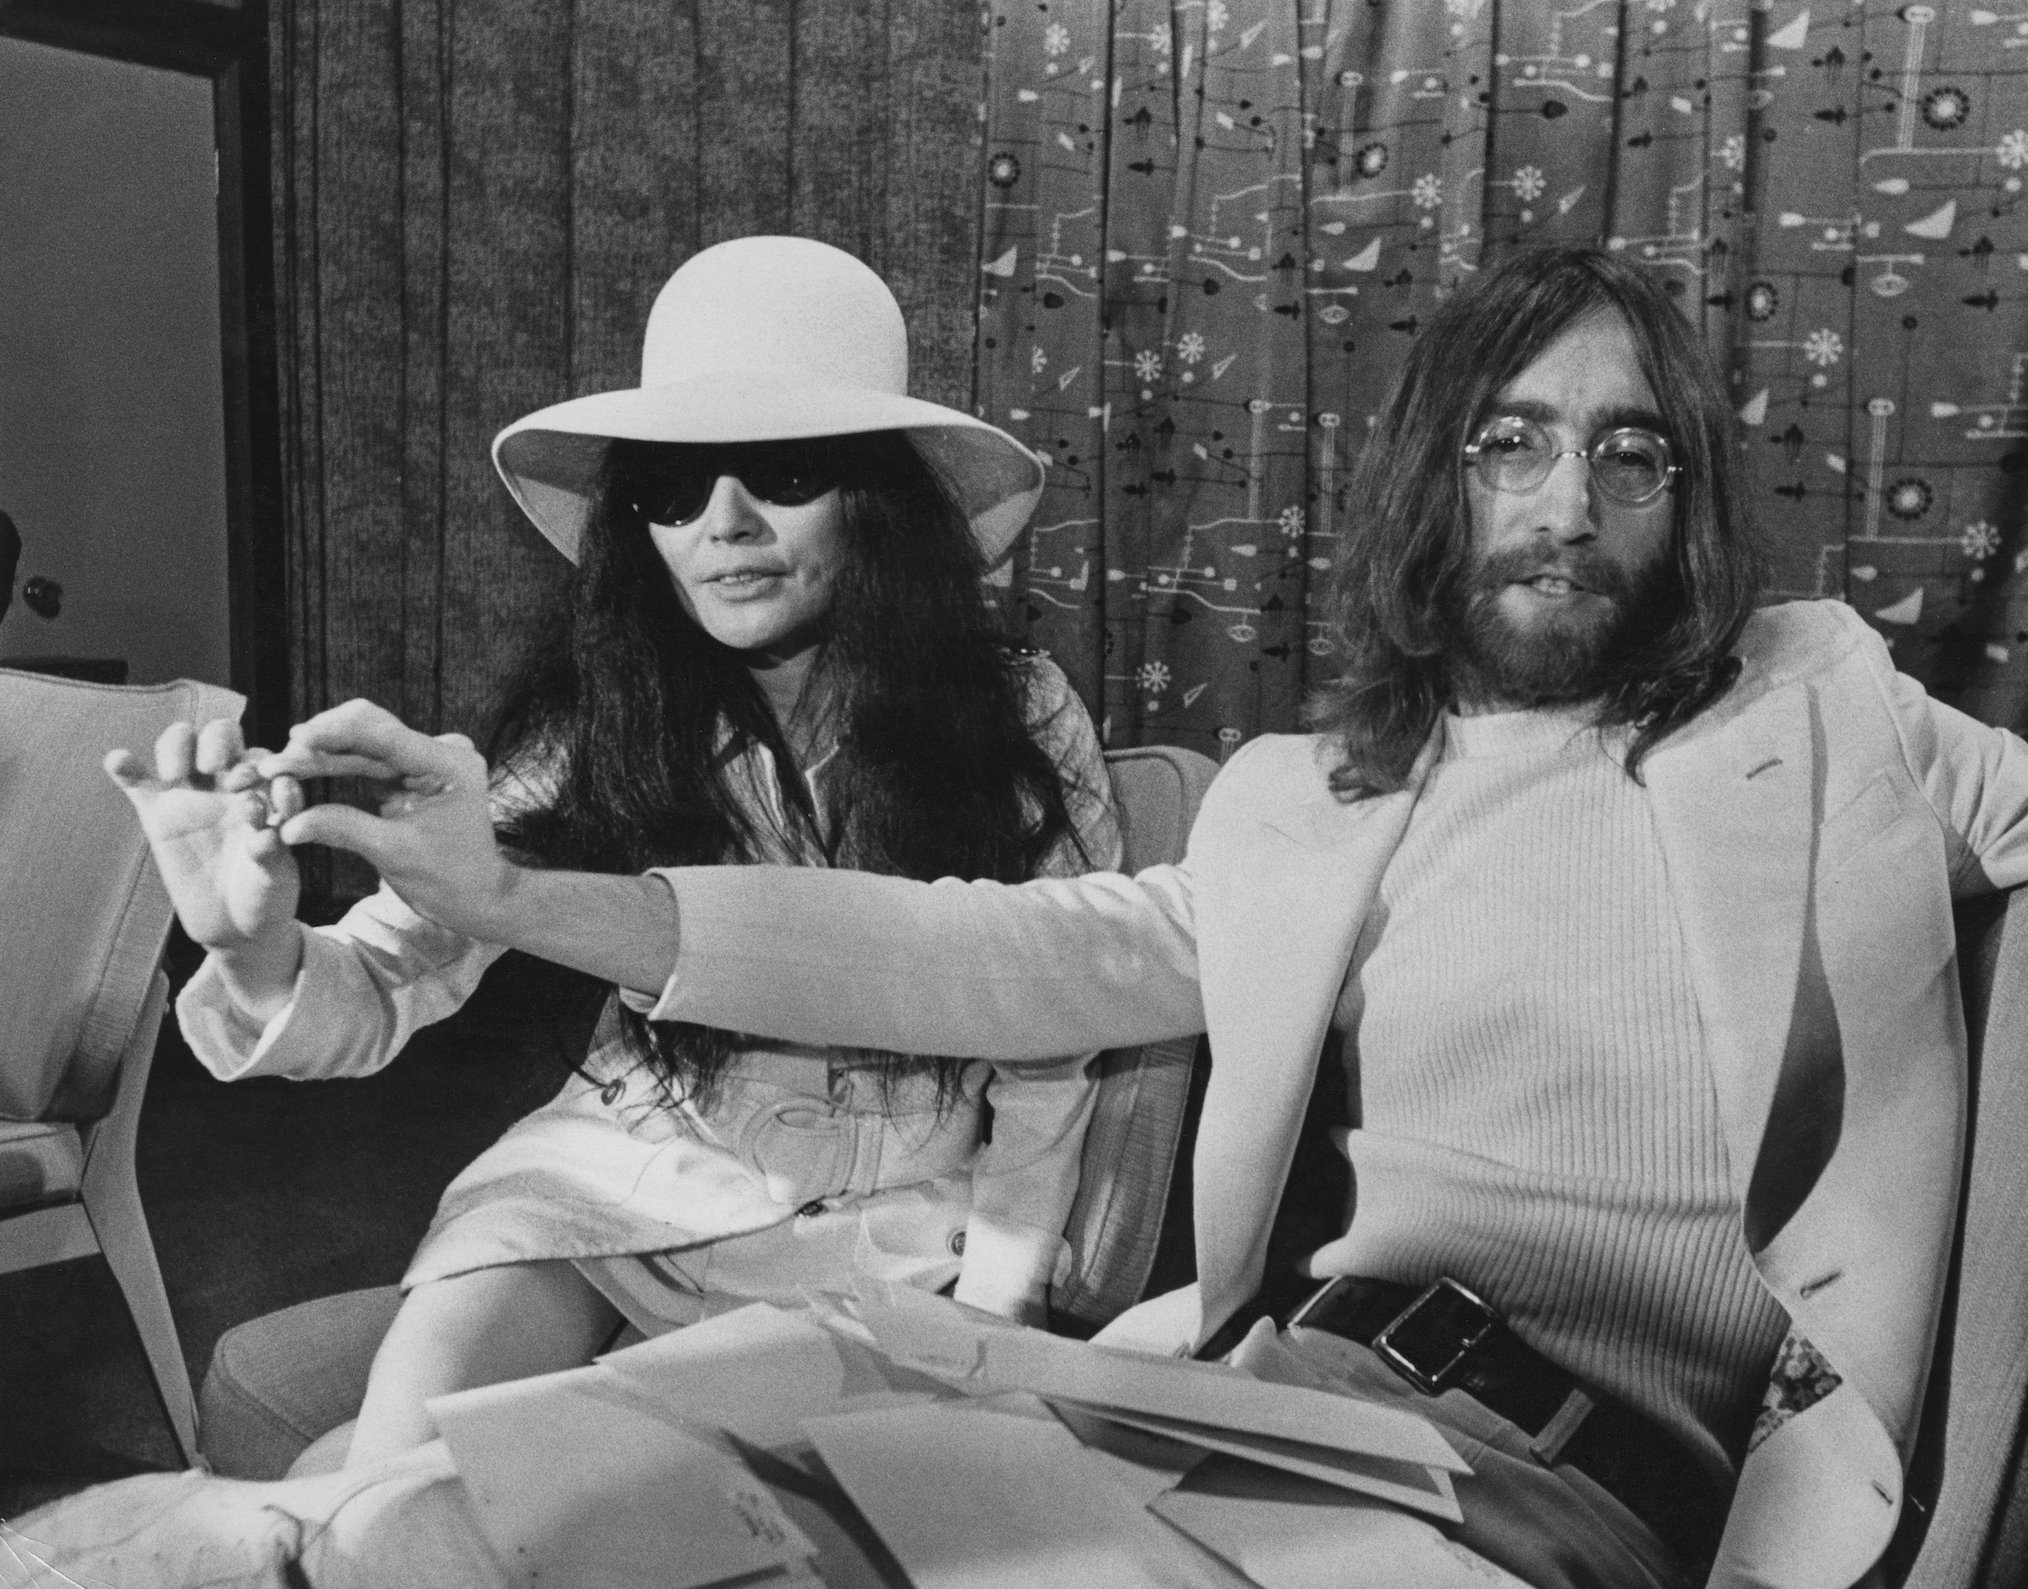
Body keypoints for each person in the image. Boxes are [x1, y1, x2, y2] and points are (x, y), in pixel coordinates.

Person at [214, 244, 2028, 1589]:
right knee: (473, 1522)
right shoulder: (1303, 795)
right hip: (1262, 1388)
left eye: (1627, 457)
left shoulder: (1818, 704)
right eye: (1508, 443)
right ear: (1430, 478)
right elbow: (971, 953)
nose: (1565, 506)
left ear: (1686, 494)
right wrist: (508, 889)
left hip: (1553, 1478)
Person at [103, 236, 1120, 1471]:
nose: (723, 526)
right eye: (672, 493)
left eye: (785, 472)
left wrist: (991, 1327)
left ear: (878, 499)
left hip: (887, 1232)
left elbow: (1056, 1048)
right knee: (378, 1488)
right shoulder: (604, 717)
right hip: (603, 1182)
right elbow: (382, 980)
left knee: (627, 1511)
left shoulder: (1020, 714)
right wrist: (250, 938)